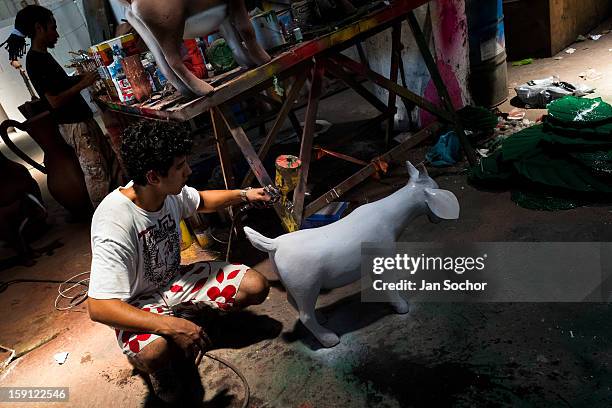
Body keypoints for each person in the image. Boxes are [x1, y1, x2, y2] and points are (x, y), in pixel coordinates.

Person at [87, 120, 271, 404]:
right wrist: (170, 326)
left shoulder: (166, 191)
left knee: (255, 285)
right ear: (153, 176)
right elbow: (99, 307)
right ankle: (162, 362)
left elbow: (202, 201)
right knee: (155, 352)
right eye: (180, 166)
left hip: (176, 282)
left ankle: (192, 324)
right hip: (138, 302)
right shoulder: (114, 221)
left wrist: (245, 194)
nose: (189, 171)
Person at [4, 5, 112, 207]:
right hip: (73, 124)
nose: (57, 33)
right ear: (39, 28)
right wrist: (83, 84)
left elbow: (60, 86)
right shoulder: (35, 61)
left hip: (81, 119)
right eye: (52, 28)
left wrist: (80, 78)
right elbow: (54, 100)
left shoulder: (43, 55)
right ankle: (104, 219)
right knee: (96, 174)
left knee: (106, 165)